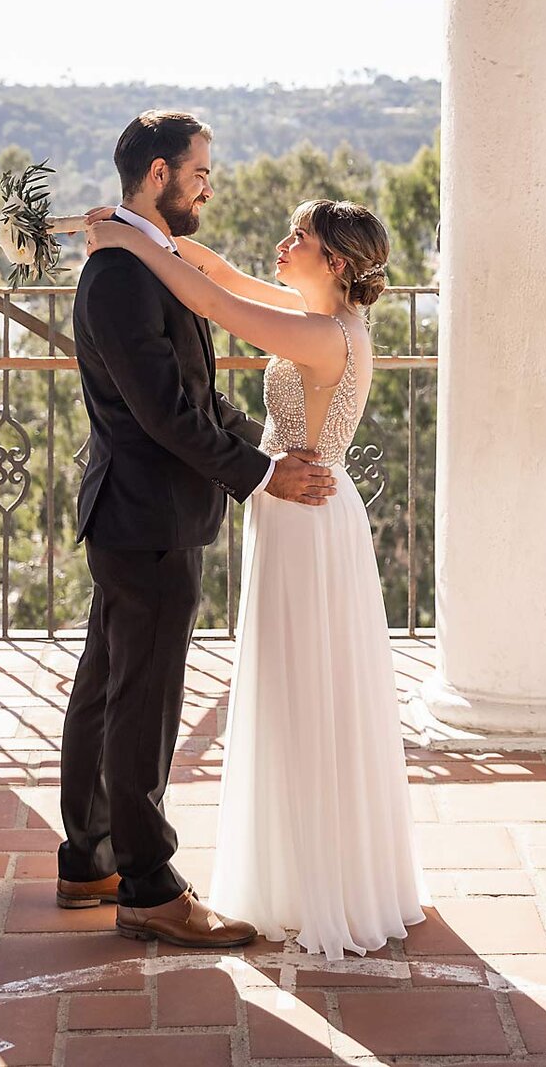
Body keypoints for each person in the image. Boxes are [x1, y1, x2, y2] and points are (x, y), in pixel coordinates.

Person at [87, 191, 425, 960]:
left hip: (307, 522)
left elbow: (208, 300)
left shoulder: (323, 335)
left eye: (296, 236)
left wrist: (124, 244)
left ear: (332, 261)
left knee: (302, 690)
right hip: (298, 517)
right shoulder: (318, 317)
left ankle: (315, 885)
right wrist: (136, 232)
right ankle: (317, 870)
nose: (282, 243)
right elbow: (223, 274)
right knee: (300, 687)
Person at [55, 110, 338, 948]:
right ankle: (148, 886)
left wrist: (253, 438)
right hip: (147, 515)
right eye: (198, 171)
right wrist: (260, 474)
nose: (208, 185)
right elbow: (162, 411)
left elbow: (192, 391)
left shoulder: (146, 261)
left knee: (108, 685)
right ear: (155, 175)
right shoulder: (121, 274)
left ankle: (90, 860)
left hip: (137, 510)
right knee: (144, 702)